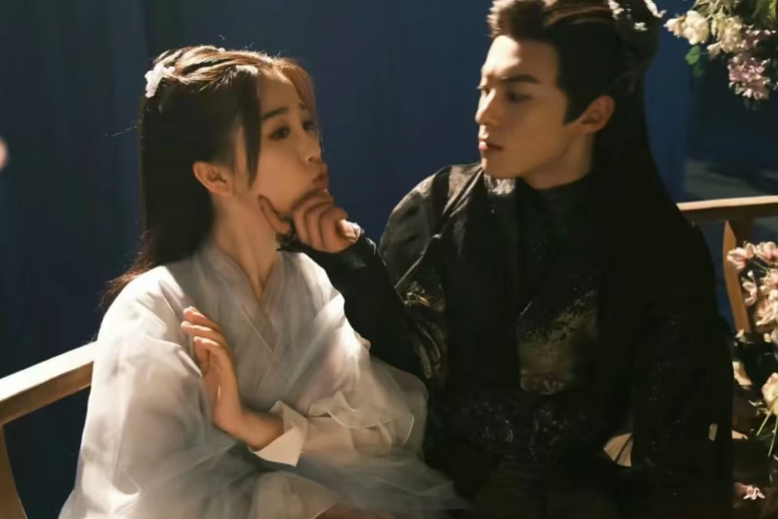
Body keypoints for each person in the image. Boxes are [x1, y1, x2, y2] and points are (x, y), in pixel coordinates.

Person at [263, 0, 733, 517]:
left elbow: (678, 454)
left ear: (593, 113)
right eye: (484, 89)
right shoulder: (439, 207)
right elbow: (403, 378)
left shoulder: (658, 249)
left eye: (516, 95)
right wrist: (352, 265)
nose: (485, 114)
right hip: (431, 488)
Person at [59, 46, 461, 519]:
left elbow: (383, 433)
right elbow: (155, 502)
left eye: (307, 125)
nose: (312, 149)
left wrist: (254, 425)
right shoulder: (155, 309)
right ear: (215, 176)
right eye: (280, 132)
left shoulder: (311, 280)